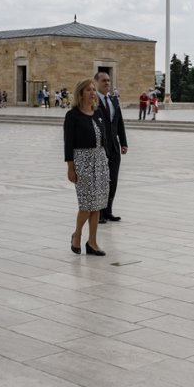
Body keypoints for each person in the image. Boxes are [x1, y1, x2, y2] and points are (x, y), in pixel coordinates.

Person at [64, 78, 108, 256]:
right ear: (81, 94)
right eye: (89, 90)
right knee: (86, 204)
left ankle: (92, 242)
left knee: (97, 204)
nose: (92, 93)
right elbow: (68, 144)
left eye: (93, 90)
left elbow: (105, 137)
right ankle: (77, 234)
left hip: (100, 160)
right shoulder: (72, 116)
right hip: (82, 161)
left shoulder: (98, 113)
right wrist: (70, 167)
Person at [95, 72, 128, 223]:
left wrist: (123, 142)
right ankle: (99, 213)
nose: (107, 83)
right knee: (100, 180)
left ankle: (108, 211)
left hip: (114, 147)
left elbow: (119, 123)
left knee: (112, 180)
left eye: (108, 80)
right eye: (103, 81)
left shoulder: (114, 100)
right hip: (99, 147)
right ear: (96, 82)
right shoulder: (93, 100)